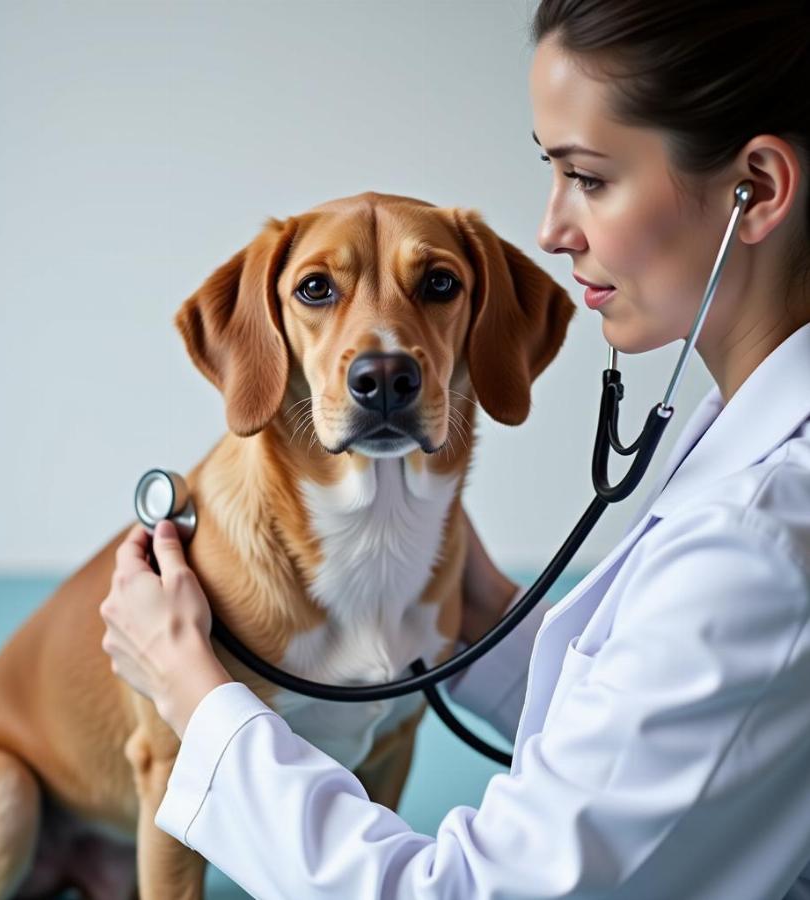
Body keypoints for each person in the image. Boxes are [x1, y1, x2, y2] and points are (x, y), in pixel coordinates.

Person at [99, 1, 810, 896]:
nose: (552, 231)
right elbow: (657, 755)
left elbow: (467, 889)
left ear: (759, 187)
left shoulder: (762, 536)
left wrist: (195, 700)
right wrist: (483, 619)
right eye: (551, 175)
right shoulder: (744, 456)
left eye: (588, 178)